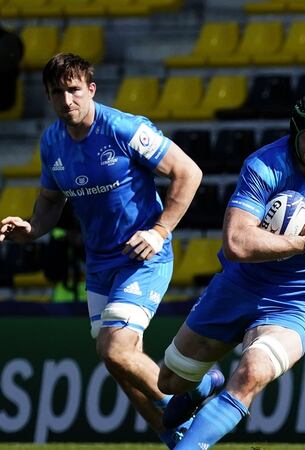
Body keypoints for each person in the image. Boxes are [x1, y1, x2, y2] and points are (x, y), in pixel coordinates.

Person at [155, 94, 305, 450]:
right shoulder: (264, 167)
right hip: (238, 287)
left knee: (251, 373)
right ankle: (204, 386)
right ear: (295, 133)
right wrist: (302, 244)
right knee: (169, 382)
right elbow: (237, 241)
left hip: (297, 303)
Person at [0, 53, 203, 448]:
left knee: (113, 349)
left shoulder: (123, 129)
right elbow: (50, 200)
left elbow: (188, 172)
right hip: (99, 266)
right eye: (57, 92)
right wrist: (32, 227)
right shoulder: (52, 142)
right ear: (48, 96)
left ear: (91, 90)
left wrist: (159, 232)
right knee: (122, 364)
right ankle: (176, 439)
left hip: (142, 257)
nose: (66, 100)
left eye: (74, 90)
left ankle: (194, 397)